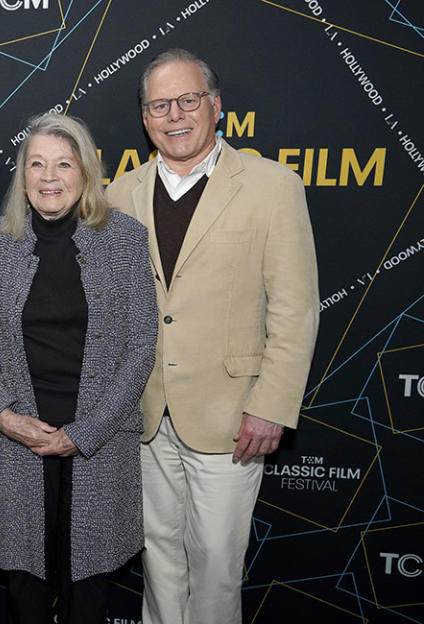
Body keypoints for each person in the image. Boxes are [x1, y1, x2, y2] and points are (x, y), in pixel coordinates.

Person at [103, 48, 320, 624]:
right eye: (159, 105)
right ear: (145, 118)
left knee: (218, 565)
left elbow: (295, 311)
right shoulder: (119, 195)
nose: (175, 115)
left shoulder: (273, 186)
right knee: (158, 562)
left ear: (215, 106)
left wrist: (271, 407)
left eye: (188, 100)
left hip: (233, 418)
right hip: (144, 415)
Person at [0, 113, 157, 623]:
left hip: (99, 445)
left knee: (88, 596)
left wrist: (85, 433)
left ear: (85, 173)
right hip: (19, 443)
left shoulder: (125, 240)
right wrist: (6, 417)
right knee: (25, 592)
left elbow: (142, 344)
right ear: (22, 175)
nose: (49, 177)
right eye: (37, 164)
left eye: (63, 164)